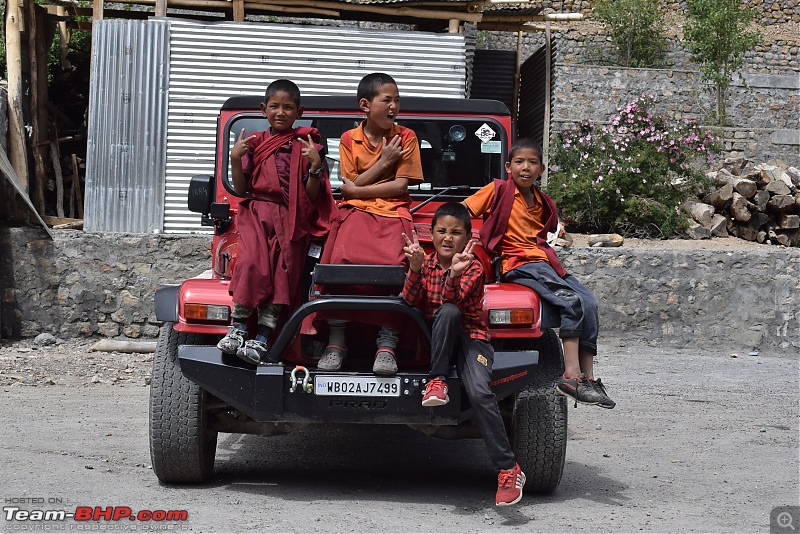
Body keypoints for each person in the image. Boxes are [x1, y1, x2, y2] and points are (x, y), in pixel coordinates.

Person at [463, 138, 616, 409]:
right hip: (518, 264)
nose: (526, 168)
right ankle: (570, 377)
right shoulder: (497, 190)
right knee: (570, 302)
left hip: (545, 263)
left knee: (588, 302)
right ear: (508, 166)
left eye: (532, 162)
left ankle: (589, 377)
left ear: (541, 169)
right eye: (519, 162)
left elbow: (547, 231)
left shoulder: (543, 201)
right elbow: (463, 211)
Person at [401, 202, 526, 506]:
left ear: (467, 237)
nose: (447, 238)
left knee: (481, 394)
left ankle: (509, 468)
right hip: (437, 341)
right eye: (441, 231)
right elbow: (408, 300)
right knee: (443, 316)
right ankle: (438, 381)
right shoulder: (426, 263)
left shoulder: (473, 267)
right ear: (430, 234)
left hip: (472, 339)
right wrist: (415, 269)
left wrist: (454, 274)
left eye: (456, 233)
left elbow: (451, 301)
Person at [217, 79, 335, 365]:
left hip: (290, 218)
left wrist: (316, 167)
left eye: (288, 107)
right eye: (274, 107)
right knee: (250, 264)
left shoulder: (309, 145)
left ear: (299, 111)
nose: (280, 112)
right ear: (263, 110)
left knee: (282, 277)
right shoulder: (255, 144)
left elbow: (309, 198)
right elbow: (243, 190)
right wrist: (234, 159)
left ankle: (263, 339)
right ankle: (238, 328)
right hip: (256, 215)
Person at [315, 72, 424, 375]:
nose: (394, 106)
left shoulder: (407, 137)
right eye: (387, 99)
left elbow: (399, 187)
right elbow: (349, 187)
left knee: (394, 267)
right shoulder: (350, 139)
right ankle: (337, 342)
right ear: (365, 105)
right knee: (338, 262)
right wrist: (384, 163)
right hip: (356, 213)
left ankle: (387, 344)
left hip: (394, 211)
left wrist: (358, 190)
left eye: (397, 100)